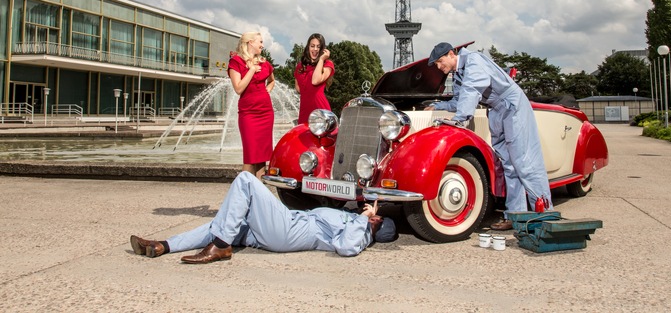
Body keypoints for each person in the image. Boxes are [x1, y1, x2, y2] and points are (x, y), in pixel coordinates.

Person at [130, 171, 397, 263]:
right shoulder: (354, 221)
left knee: (247, 180)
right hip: (279, 229)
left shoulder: (361, 235)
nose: (375, 215)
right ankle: (162, 246)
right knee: (221, 224)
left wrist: (364, 219)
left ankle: (221, 247)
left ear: (378, 227)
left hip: (286, 231)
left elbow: (345, 248)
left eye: (378, 219)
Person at [426, 42, 553, 231]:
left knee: (524, 162)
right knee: (508, 165)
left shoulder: (473, 61)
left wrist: (461, 119)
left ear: (452, 54)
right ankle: (515, 215)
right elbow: (458, 100)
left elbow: (472, 90)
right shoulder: (459, 75)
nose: (438, 66)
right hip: (496, 111)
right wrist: (437, 107)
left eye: (440, 61)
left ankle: (545, 214)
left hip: (512, 107)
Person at [228, 32, 275, 178]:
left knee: (262, 159)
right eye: (260, 42)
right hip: (248, 114)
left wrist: (267, 90)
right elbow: (238, 88)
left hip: (266, 113)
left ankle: (259, 195)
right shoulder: (236, 61)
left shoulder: (265, 63)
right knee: (250, 158)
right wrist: (252, 70)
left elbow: (272, 80)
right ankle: (244, 195)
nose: (262, 45)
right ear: (250, 42)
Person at [294, 33, 335, 124]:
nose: (315, 49)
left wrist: (321, 60)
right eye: (312, 46)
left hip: (320, 110)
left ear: (322, 49)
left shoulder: (327, 64)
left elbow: (315, 81)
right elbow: (298, 88)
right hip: (304, 110)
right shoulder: (300, 66)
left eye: (318, 46)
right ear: (308, 47)